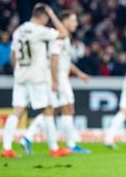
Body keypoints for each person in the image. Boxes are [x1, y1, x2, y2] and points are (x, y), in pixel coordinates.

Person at [1, 3, 71, 158]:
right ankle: (54, 149)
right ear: (43, 16)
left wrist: (17, 70)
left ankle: (6, 148)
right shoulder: (39, 30)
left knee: (17, 111)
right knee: (48, 109)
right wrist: (53, 15)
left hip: (20, 76)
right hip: (36, 76)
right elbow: (64, 33)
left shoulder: (19, 30)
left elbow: (13, 55)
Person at [19, 10, 91, 154]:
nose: (76, 23)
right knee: (66, 108)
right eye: (73, 20)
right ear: (65, 22)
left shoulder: (64, 37)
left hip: (59, 76)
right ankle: (71, 144)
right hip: (57, 77)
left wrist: (79, 73)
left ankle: (27, 137)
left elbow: (64, 61)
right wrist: (55, 80)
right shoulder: (59, 37)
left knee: (54, 109)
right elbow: (54, 58)